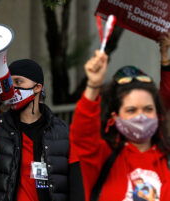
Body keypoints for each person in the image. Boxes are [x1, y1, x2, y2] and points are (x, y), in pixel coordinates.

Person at [0, 59, 69, 201]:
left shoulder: (59, 130)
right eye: (10, 83)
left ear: (37, 88)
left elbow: (71, 182)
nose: (13, 88)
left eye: (18, 82)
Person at [70, 50, 170, 201]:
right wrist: (93, 86)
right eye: (131, 110)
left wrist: (166, 59)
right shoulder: (102, 156)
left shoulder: (166, 159)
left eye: (148, 109)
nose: (141, 117)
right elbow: (83, 135)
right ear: (115, 117)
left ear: (158, 115)